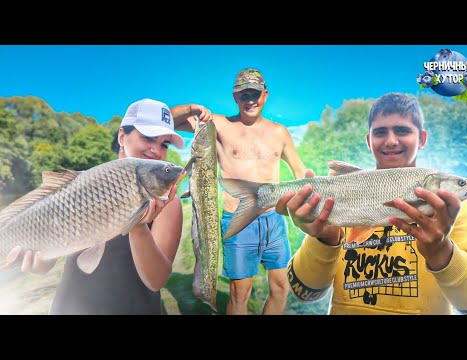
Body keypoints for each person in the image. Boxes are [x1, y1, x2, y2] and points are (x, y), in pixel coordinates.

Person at [276, 92, 467, 315]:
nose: (391, 141)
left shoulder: (453, 211)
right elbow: (305, 293)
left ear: (421, 138)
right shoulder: (337, 201)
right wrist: (325, 239)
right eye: (380, 132)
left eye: (402, 130)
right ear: (369, 140)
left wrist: (441, 250)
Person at [6, 98, 213, 315]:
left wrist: (138, 228)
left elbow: (157, 280)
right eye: (148, 137)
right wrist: (38, 264)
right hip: (71, 306)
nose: (156, 150)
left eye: (164, 144)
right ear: (122, 136)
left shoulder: (167, 202)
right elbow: (51, 255)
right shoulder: (85, 184)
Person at [172, 68, 306, 315]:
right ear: (235, 97)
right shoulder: (219, 125)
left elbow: (301, 173)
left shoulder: (280, 132)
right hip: (237, 221)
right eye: (244, 95)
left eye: (255, 94)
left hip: (273, 221)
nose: (250, 100)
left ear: (265, 95)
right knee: (239, 294)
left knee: (281, 288)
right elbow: (168, 120)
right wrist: (192, 108)